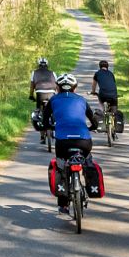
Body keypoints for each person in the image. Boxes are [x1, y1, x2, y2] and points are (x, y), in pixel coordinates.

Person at [44, 74, 98, 214]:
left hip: (63, 142)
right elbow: (93, 119)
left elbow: (45, 120)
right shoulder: (81, 100)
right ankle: (89, 183)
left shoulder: (53, 100)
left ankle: (64, 205)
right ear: (75, 88)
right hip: (84, 141)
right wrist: (92, 127)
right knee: (86, 159)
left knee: (62, 165)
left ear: (58, 87)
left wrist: (50, 126)